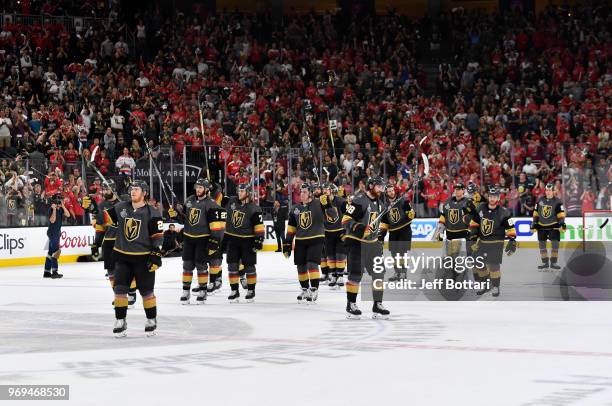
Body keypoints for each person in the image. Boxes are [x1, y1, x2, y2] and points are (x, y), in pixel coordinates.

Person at [103, 180, 163, 337]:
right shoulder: (121, 207)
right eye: (131, 189)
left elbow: (158, 236)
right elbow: (105, 219)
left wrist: (156, 254)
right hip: (122, 256)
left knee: (147, 292)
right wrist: (90, 208)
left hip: (143, 259)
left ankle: (151, 319)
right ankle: (120, 320)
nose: (132, 191)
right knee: (119, 290)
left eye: (136, 189)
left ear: (144, 193)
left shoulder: (152, 212)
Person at [168, 178, 225, 304]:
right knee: (187, 266)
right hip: (188, 238)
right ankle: (186, 291)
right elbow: (184, 220)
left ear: (206, 189)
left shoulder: (211, 203)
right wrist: (176, 215)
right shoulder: (189, 200)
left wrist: (214, 241)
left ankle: (203, 291)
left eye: (200, 187)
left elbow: (216, 225)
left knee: (201, 266)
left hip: (203, 239)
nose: (198, 189)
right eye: (197, 187)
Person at [82, 180, 138, 305]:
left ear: (113, 189)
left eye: (107, 189)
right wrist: (96, 244)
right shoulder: (102, 205)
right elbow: (100, 227)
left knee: (127, 269)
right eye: (103, 189)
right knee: (111, 272)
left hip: (124, 240)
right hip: (108, 241)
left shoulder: (123, 200)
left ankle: (132, 293)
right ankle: (118, 296)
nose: (104, 192)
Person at [341, 176, 390, 319]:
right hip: (357, 243)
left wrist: (378, 240)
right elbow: (346, 220)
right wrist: (360, 227)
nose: (381, 189)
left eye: (382, 186)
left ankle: (378, 304)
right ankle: (351, 304)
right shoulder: (359, 201)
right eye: (379, 186)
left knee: (379, 274)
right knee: (356, 275)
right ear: (370, 186)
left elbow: (380, 225)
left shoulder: (381, 204)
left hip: (373, 244)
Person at [469, 186, 517, 297]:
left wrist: (512, 241)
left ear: (498, 198)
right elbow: (474, 223)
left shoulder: (504, 212)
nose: (492, 199)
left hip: (496, 243)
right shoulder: (481, 208)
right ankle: (485, 285)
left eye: (494, 197)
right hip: (482, 242)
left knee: (494, 266)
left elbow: (510, 228)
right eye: (490, 196)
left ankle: (495, 286)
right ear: (488, 197)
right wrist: (472, 237)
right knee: (479, 264)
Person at [221, 183, 264, 302]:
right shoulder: (231, 201)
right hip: (232, 240)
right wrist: (216, 191)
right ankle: (234, 291)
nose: (239, 193)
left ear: (248, 193)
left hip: (248, 240)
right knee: (232, 266)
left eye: (242, 191)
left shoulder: (254, 208)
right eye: (239, 191)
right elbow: (215, 200)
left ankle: (251, 290)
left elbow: (259, 226)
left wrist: (259, 239)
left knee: (250, 267)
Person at [283, 183, 326, 303]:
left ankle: (314, 290)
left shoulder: (319, 203)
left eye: (305, 192)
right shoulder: (295, 209)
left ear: (311, 193)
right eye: (300, 192)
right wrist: (287, 242)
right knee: (301, 266)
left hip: (316, 238)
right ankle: (305, 289)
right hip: (301, 240)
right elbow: (291, 228)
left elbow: (332, 216)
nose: (301, 194)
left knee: (312, 264)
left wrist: (327, 204)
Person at [435, 182, 476, 281]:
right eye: (456, 189)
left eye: (459, 189)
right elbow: (443, 216)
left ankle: (466, 278)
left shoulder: (468, 202)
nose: (457, 190)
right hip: (449, 235)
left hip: (462, 235)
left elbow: (474, 217)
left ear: (463, 190)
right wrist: (440, 231)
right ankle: (453, 276)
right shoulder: (447, 202)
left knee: (462, 258)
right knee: (450, 258)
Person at [379, 183, 415, 282]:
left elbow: (411, 215)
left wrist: (411, 213)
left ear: (395, 191)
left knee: (402, 252)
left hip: (404, 230)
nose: (391, 192)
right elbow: (385, 222)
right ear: (386, 193)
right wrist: (381, 235)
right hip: (393, 232)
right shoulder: (385, 206)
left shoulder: (403, 201)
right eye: (389, 191)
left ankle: (403, 273)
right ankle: (397, 272)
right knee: (394, 254)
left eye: (392, 190)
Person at [531, 183, 566, 271]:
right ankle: (545, 263)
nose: (548, 192)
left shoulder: (558, 202)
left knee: (555, 244)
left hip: (553, 225)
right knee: (542, 245)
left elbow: (561, 215)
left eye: (550, 190)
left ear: (553, 191)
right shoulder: (540, 201)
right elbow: (535, 213)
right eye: (547, 190)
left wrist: (562, 224)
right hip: (541, 225)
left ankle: (553, 262)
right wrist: (534, 223)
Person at [321, 182, 347, 288]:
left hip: (340, 230)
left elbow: (348, 215)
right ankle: (334, 275)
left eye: (326, 189)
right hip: (327, 232)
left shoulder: (340, 201)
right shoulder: (320, 202)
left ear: (331, 190)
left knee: (340, 253)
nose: (324, 191)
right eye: (323, 189)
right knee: (330, 254)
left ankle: (340, 275)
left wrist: (347, 230)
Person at [44, 193, 70, 279]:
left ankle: (47, 272)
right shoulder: (51, 209)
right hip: (52, 233)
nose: (62, 201)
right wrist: (54, 209)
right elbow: (52, 220)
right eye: (60, 200)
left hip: (56, 233)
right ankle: (54, 271)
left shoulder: (61, 209)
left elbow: (68, 214)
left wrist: (62, 206)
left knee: (50, 253)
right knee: (56, 252)